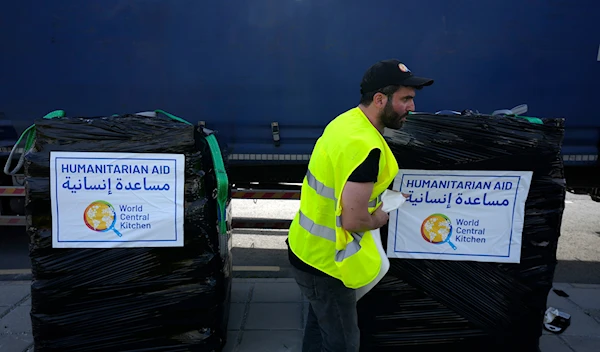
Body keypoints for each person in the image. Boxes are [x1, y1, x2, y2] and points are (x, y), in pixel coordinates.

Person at [286, 59, 434, 352]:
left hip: (308, 250)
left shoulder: (346, 122)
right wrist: (380, 216)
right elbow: (353, 220)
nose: (412, 108)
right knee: (342, 342)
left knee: (320, 328)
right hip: (327, 266)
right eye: (405, 99)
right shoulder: (366, 148)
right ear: (380, 99)